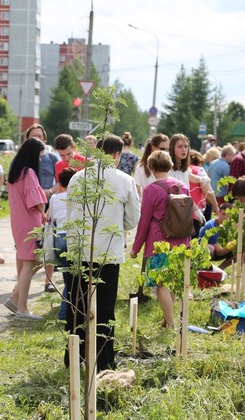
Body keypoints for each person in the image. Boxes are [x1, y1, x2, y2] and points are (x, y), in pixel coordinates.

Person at [66, 135, 140, 371]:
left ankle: (74, 357)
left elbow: (69, 214)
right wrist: (117, 226)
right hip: (108, 251)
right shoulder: (124, 180)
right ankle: (104, 359)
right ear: (117, 155)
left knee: (77, 307)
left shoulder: (77, 178)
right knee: (105, 308)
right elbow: (132, 219)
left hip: (79, 250)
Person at [130, 150, 191, 328]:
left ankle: (171, 324)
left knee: (160, 284)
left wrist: (136, 247)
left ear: (150, 167)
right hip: (181, 241)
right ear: (170, 165)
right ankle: (167, 319)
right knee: (171, 280)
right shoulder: (182, 186)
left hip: (159, 242)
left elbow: (144, 221)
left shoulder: (151, 190)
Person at [4, 137, 48, 320]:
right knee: (31, 263)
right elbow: (37, 201)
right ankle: (22, 307)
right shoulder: (29, 173)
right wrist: (44, 213)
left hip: (18, 222)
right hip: (31, 223)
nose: (39, 160)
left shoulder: (15, 173)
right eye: (39, 156)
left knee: (31, 262)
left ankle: (16, 298)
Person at [24, 125, 60, 293]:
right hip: (30, 206)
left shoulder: (52, 158)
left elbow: (61, 181)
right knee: (29, 245)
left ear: (45, 139)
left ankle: (48, 281)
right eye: (34, 136)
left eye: (40, 135)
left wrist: (50, 191)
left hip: (48, 203)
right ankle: (23, 281)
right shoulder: (22, 159)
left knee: (49, 242)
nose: (38, 138)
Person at [48, 167, 77, 321]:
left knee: (67, 276)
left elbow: (51, 219)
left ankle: (69, 309)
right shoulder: (77, 197)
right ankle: (65, 313)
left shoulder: (54, 198)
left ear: (59, 182)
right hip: (71, 238)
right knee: (72, 279)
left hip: (58, 239)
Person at [134, 133, 169, 198]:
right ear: (153, 148)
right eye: (162, 149)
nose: (166, 152)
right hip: (148, 203)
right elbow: (137, 189)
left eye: (167, 150)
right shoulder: (141, 167)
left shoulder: (169, 166)